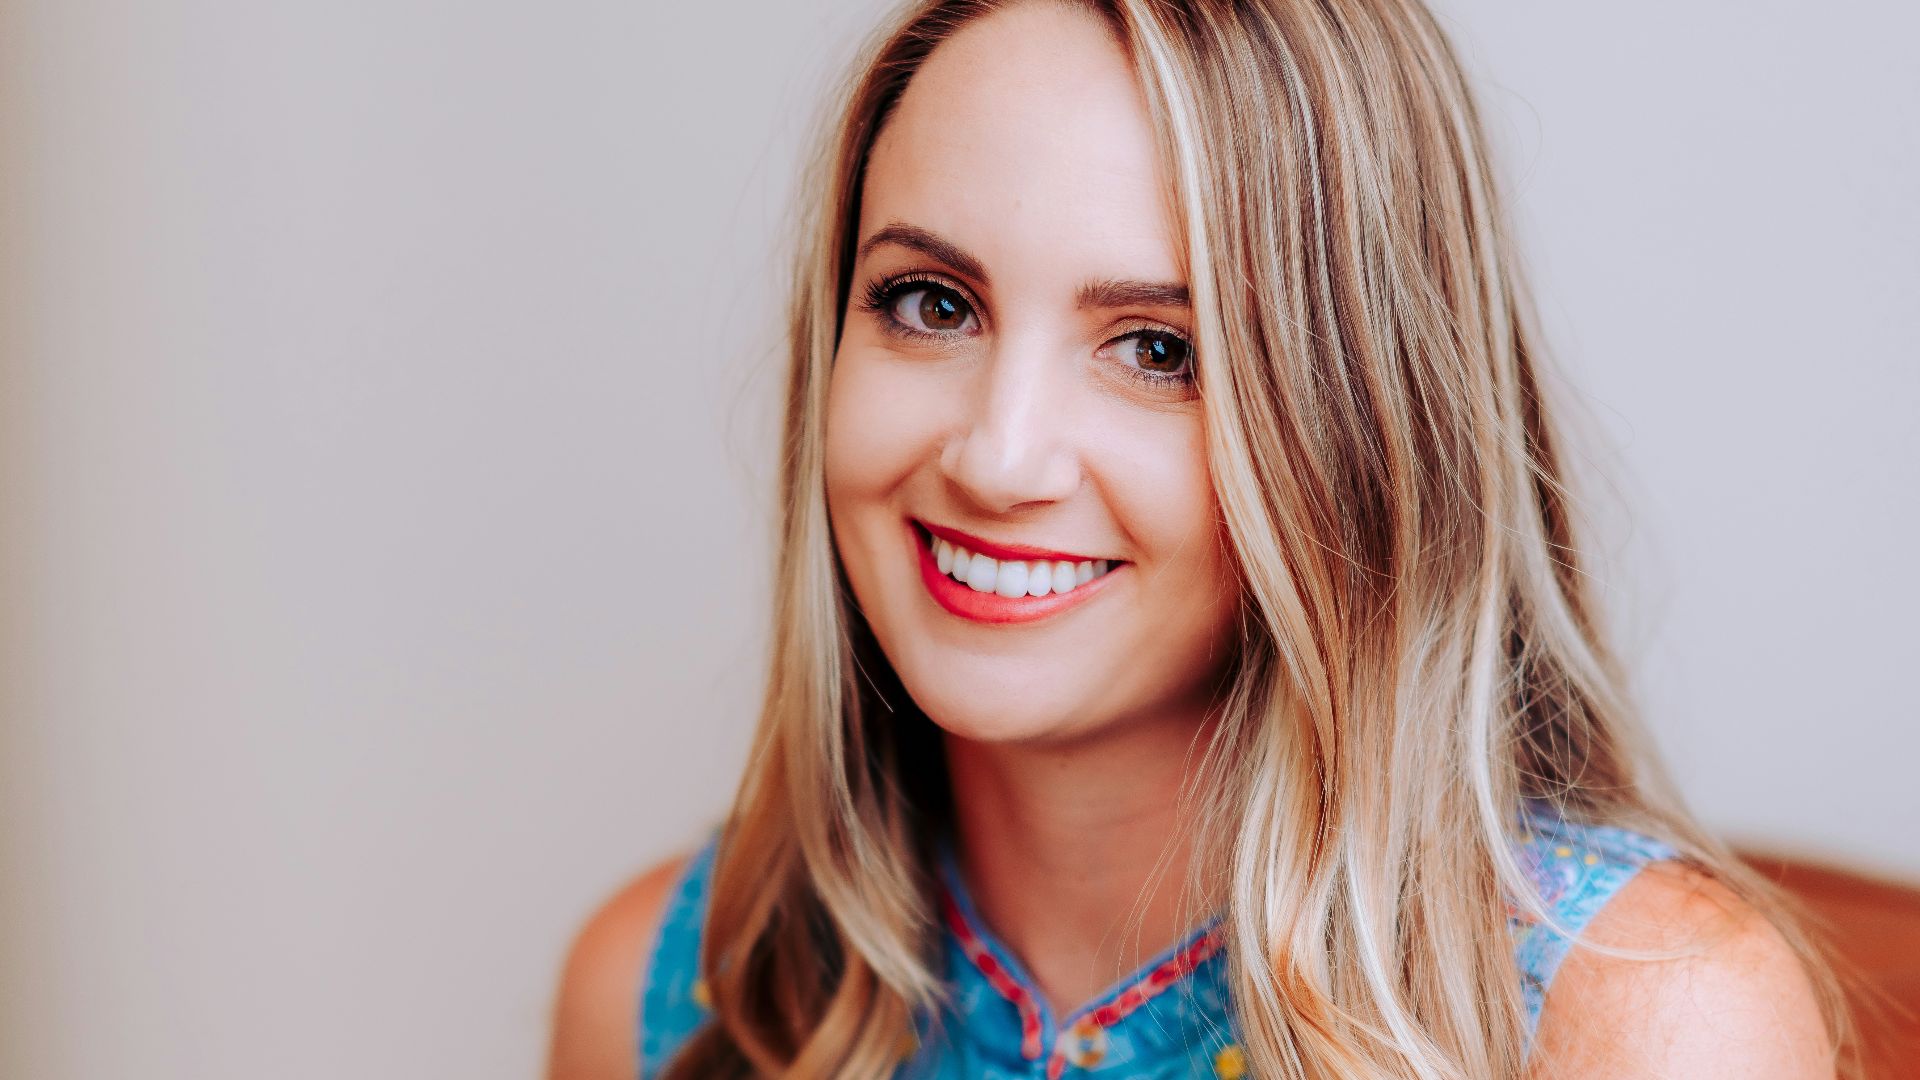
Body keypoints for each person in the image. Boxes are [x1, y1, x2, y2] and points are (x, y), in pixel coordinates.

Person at [549, 1, 1847, 1077]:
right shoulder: (662, 994)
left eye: (1160, 349)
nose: (998, 457)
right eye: (931, 303)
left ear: (1362, 430)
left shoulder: (1646, 1022)